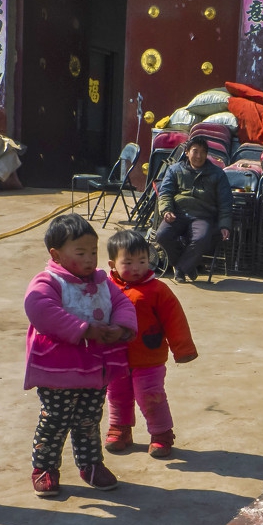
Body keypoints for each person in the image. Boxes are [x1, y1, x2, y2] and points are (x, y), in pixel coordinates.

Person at [24, 213, 136, 497]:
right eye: (81, 252)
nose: (89, 259)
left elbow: (121, 302)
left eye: (93, 252)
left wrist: (121, 328)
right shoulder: (48, 281)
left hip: (94, 367)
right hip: (59, 369)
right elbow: (39, 309)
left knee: (89, 417)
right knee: (56, 418)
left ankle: (91, 465)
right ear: (56, 254)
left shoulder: (102, 281)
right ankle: (45, 468)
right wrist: (84, 330)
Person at [103, 229, 198, 459]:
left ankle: (161, 434)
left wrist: (182, 349)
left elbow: (174, 320)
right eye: (128, 262)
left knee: (150, 395)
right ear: (112, 264)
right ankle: (120, 429)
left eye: (142, 261)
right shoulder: (104, 289)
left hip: (149, 357)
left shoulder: (158, 290)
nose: (136, 267)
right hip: (115, 356)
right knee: (116, 394)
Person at [153, 135, 232, 283]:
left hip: (202, 215)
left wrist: (225, 225)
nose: (199, 156)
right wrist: (166, 211)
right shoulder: (174, 170)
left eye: (203, 152)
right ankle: (187, 265)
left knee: (202, 238)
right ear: (187, 152)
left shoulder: (217, 174)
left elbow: (225, 202)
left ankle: (181, 269)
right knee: (162, 235)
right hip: (178, 213)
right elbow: (165, 193)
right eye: (195, 151)